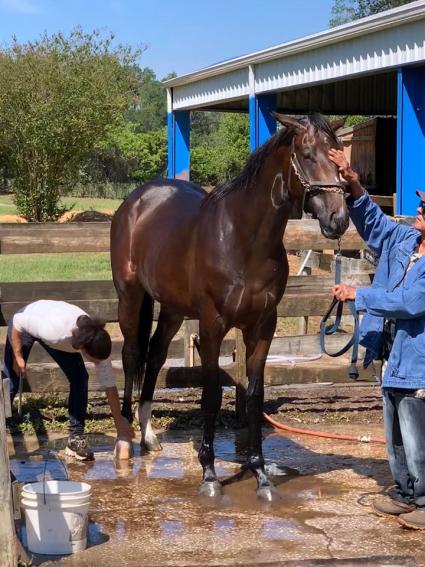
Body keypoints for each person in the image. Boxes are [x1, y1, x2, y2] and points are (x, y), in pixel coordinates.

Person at [328, 148, 425, 531]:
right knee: (395, 431)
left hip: (419, 361)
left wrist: (359, 295)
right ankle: (404, 493)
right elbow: (372, 221)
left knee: (417, 434)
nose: (420, 209)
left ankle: (424, 498)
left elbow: (410, 301)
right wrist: (352, 181)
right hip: (392, 355)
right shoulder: (402, 240)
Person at [2, 300, 133, 461]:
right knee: (11, 382)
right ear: (84, 348)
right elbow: (17, 321)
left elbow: (109, 385)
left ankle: (75, 439)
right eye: (95, 360)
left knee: (80, 378)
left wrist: (120, 422)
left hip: (58, 332)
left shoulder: (95, 338)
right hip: (25, 324)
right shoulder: (54, 331)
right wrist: (18, 356)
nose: (97, 364)